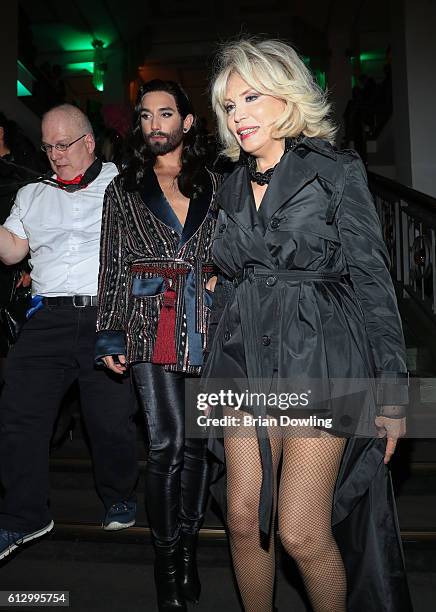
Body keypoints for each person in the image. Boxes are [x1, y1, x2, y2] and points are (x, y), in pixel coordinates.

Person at [203, 39, 412, 612]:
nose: (238, 114)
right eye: (228, 105)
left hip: (322, 353)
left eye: (250, 97)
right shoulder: (224, 184)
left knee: (298, 529)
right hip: (243, 356)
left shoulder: (335, 170)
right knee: (245, 520)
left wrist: (393, 396)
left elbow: (374, 283)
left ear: (287, 96)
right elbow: (223, 271)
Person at [95, 80, 220, 611]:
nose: (154, 125)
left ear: (187, 122)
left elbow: (237, 244)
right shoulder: (122, 189)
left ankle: (189, 549)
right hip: (150, 320)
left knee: (198, 448)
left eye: (165, 114)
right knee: (166, 444)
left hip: (209, 322)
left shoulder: (220, 182)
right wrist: (109, 331)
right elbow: (113, 265)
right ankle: (165, 558)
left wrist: (224, 278)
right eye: (145, 117)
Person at [0, 104, 138, 561]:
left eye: (64, 145)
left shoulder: (125, 183)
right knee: (19, 414)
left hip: (106, 313)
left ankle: (118, 493)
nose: (55, 155)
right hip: (49, 318)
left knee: (110, 418)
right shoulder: (32, 193)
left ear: (88, 143)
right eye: (48, 146)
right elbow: (11, 253)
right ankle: (26, 516)